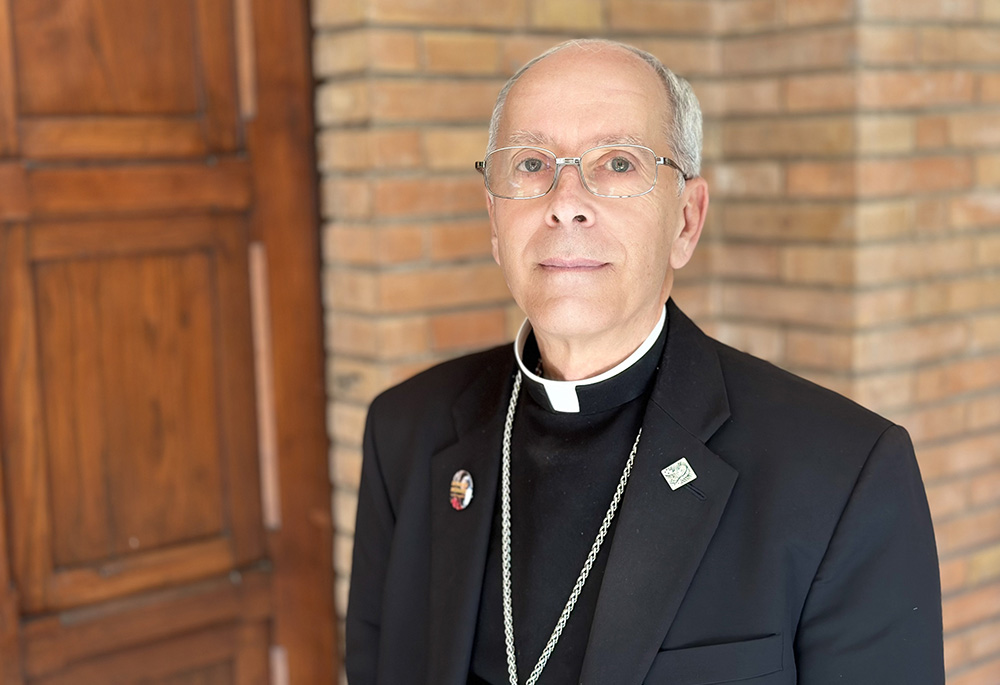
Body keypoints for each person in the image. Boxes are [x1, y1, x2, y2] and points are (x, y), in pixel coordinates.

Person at [345, 39, 944, 685]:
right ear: (495, 221)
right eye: (529, 163)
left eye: (619, 163)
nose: (564, 200)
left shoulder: (842, 472)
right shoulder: (404, 429)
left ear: (686, 220)